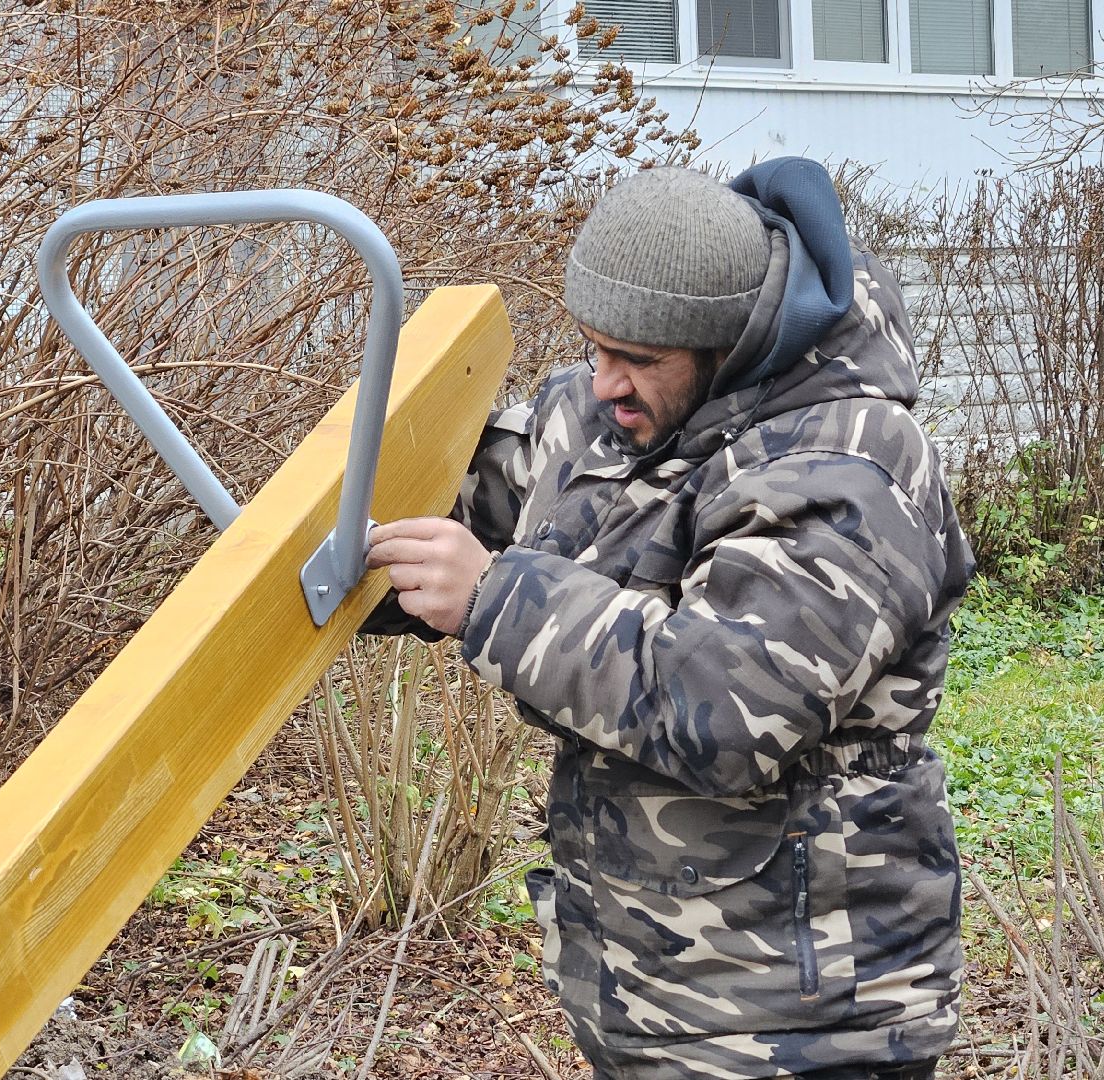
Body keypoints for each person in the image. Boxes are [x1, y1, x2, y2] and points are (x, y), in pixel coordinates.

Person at [363, 158, 970, 1079]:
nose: (602, 381)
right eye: (595, 347)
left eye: (639, 360)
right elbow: (479, 504)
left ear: (727, 346)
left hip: (804, 1019)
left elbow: (726, 709)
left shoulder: (850, 470)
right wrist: (349, 546)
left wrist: (493, 598)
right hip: (642, 989)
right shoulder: (614, 410)